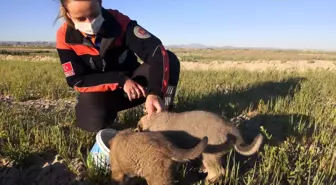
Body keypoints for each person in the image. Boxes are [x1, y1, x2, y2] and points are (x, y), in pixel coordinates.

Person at [55, 0, 180, 132]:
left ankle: (162, 112)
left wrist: (155, 92)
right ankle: (106, 117)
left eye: (94, 14)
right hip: (103, 92)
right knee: (90, 123)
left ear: (100, 3)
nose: (89, 23)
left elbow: (156, 52)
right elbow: (77, 80)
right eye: (81, 18)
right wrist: (121, 80)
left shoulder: (119, 22)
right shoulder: (65, 37)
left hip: (138, 87)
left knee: (169, 59)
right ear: (68, 14)